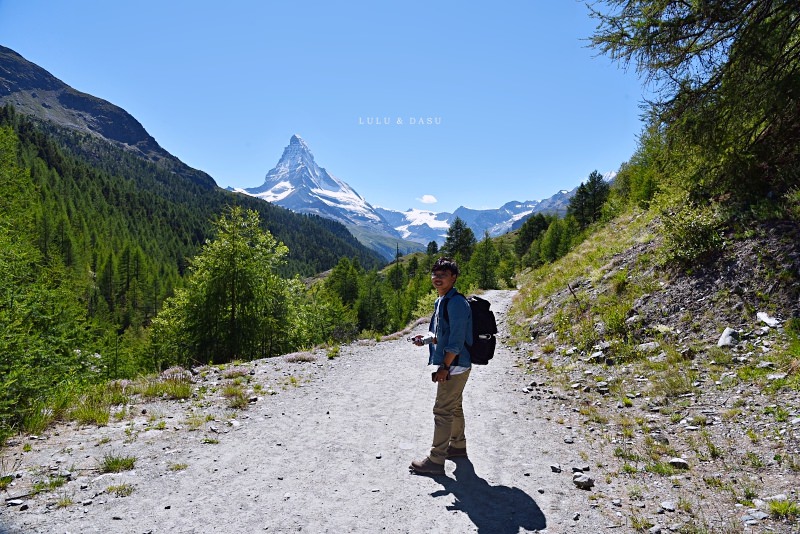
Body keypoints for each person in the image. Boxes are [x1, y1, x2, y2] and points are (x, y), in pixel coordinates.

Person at [409, 257, 473, 476]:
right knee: (454, 406)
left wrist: (444, 367)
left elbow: (455, 341)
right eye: (435, 274)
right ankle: (457, 447)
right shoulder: (442, 301)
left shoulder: (456, 303)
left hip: (454, 364)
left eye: (443, 274)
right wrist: (425, 339)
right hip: (453, 363)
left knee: (442, 410)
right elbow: (440, 334)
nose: (437, 278)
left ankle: (436, 460)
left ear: (453, 277)